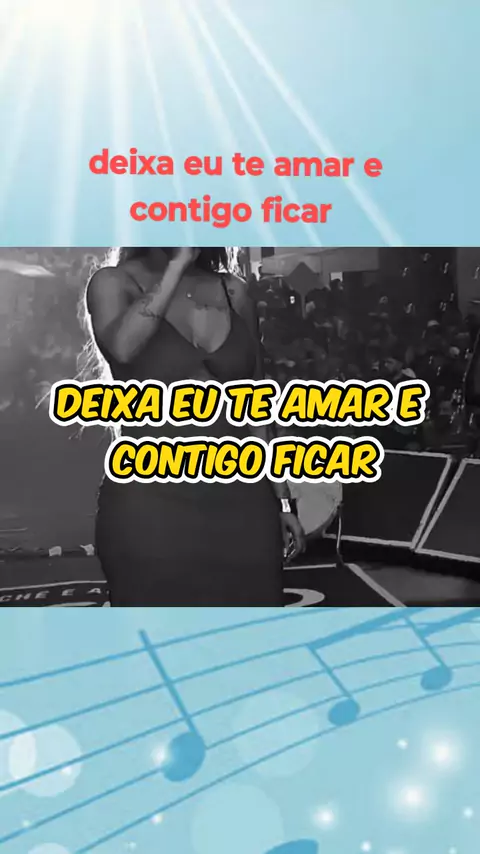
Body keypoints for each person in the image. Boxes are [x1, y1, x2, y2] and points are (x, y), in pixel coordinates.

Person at [85, 247, 305, 606]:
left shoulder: (233, 291)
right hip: (151, 504)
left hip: (243, 500)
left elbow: (257, 406)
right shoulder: (113, 282)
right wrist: (177, 266)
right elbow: (122, 348)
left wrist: (282, 501)